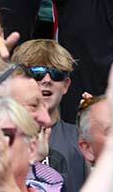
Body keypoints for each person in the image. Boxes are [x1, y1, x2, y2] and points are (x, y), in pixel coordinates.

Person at [12, 40, 89, 192]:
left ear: (66, 85)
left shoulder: (80, 136)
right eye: (37, 72)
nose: (47, 80)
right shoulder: (0, 136)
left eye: (56, 73)